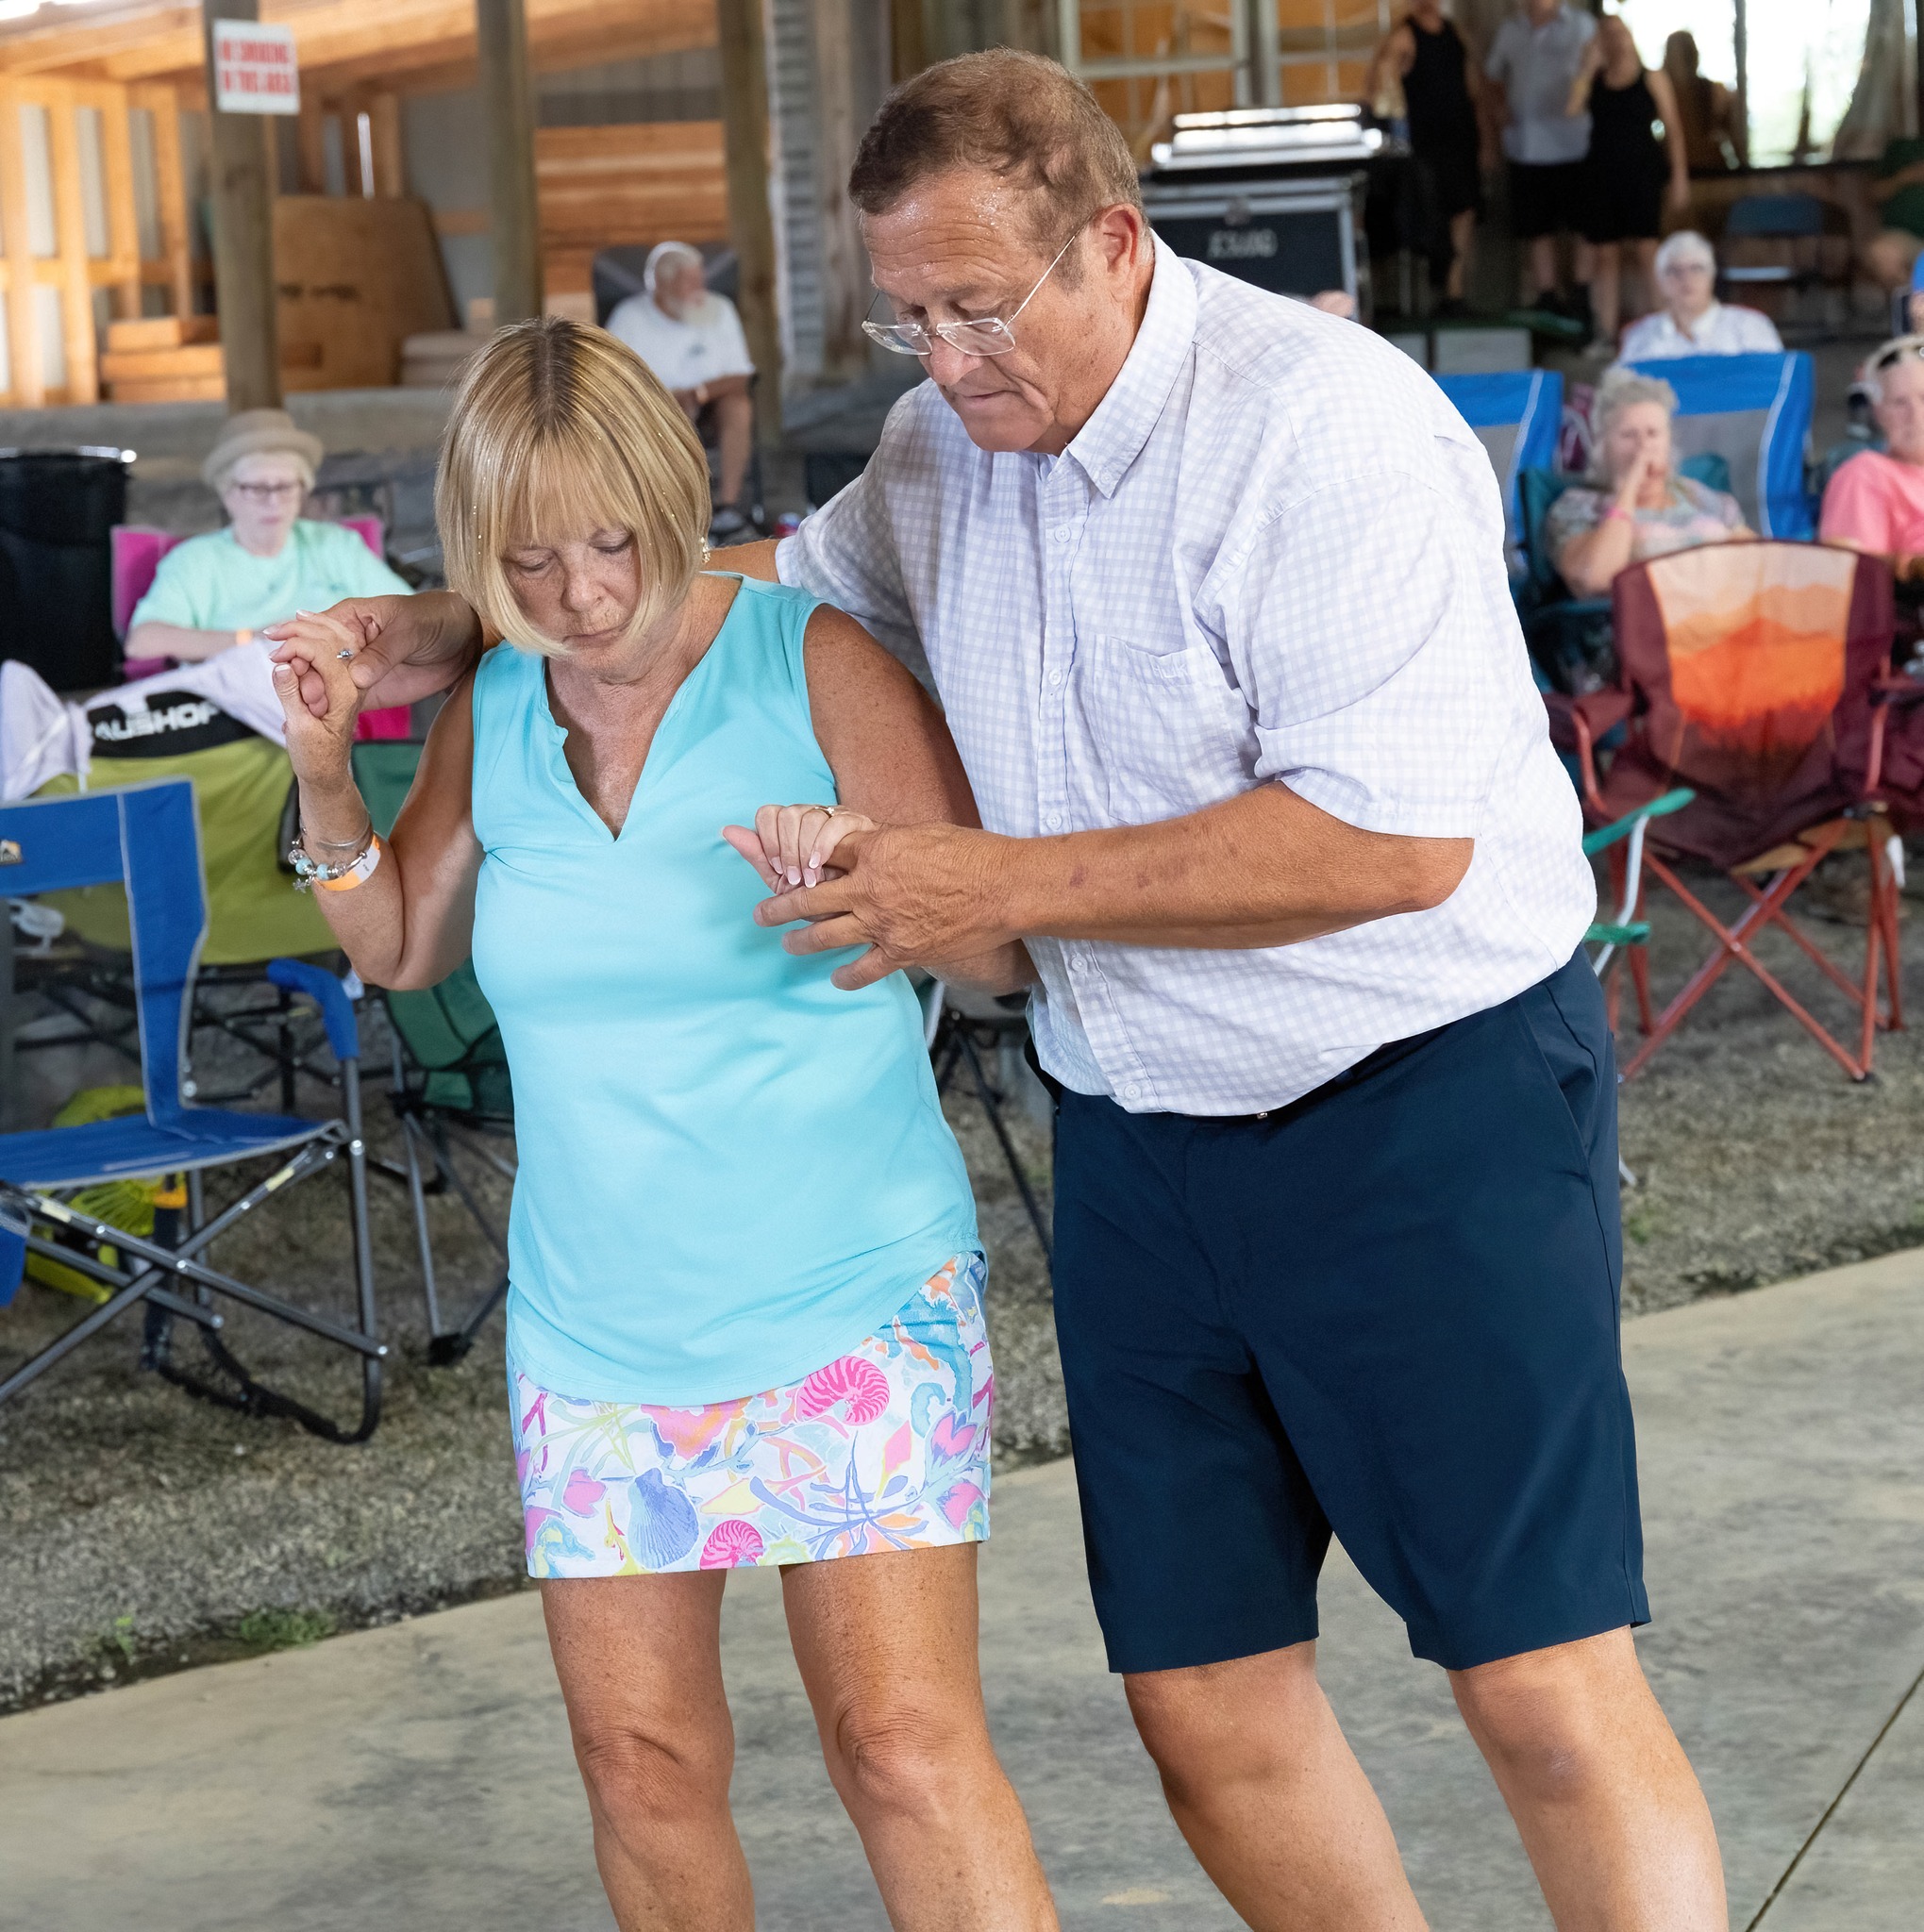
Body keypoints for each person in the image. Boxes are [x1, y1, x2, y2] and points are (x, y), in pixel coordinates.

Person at [277, 51, 1730, 1930]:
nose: (945, 362)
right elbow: (706, 585)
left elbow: (1391, 846)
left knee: (1529, 1675)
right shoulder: (931, 453)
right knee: (1202, 1702)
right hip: (1135, 1126)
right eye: (908, 319)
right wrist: (461, 615)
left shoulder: (1323, 431)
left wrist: (989, 886)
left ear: (1110, 246)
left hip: (1413, 1091)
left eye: (977, 308)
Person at [268, 317, 1058, 1932]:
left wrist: (872, 881)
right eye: (530, 560)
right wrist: (327, 778)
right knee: (636, 1761)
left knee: (899, 1744)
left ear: (670, 492)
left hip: (848, 1296)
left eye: (612, 542)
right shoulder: (498, 698)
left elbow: (997, 954)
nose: (581, 595)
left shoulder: (811, 657)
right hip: (598, 1331)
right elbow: (406, 941)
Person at [125, 409, 410, 665]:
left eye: (285, 487)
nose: (273, 503)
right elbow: (143, 641)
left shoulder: (335, 544)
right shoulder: (196, 559)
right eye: (258, 489)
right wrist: (255, 640)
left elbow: (409, 614)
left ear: (302, 491)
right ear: (228, 494)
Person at [1548, 369, 1749, 597]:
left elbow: (1760, 561)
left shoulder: (1695, 495)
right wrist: (1628, 490)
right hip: (1643, 628)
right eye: (1628, 435)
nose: (1643, 447)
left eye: (1653, 433)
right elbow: (1595, 578)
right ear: (1602, 447)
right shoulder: (1579, 506)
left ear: (1669, 442)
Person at [605, 241, 758, 543]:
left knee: (738, 405)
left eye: (701, 278)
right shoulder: (628, 319)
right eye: (690, 281)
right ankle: (671, 514)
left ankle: (727, 508)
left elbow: (741, 376)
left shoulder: (720, 310)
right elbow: (611, 383)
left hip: (710, 402)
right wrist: (666, 403)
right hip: (651, 409)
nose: (700, 288)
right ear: (662, 284)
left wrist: (697, 394)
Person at [1570, 14, 1690, 356]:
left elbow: (1673, 130)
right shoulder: (1593, 79)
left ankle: (1663, 332)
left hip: (1641, 174)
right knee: (1605, 256)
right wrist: (1585, 68)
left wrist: (1679, 176)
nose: (1616, 40)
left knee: (1646, 251)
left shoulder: (1651, 78)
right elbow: (1571, 109)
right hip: (1601, 175)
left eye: (1620, 33)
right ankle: (1606, 335)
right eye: (1607, 35)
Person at [1365, 0, 1495, 311]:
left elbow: (1473, 88)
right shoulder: (1402, 37)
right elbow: (1379, 90)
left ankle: (1455, 292)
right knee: (1425, 215)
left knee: (1463, 211)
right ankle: (1400, 298)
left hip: (1460, 139)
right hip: (1424, 145)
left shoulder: (1456, 33)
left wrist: (1487, 139)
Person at [1485, 0, 1597, 316]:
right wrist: (1499, 107)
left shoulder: (1582, 25)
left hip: (1576, 142)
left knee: (1583, 224)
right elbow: (1492, 76)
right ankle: (1547, 294)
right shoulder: (1510, 30)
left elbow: (1595, 71)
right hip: (1527, 143)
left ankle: (1582, 293)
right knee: (1536, 227)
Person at [1821, 336, 1924, 576]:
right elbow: (1854, 577)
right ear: (1878, 413)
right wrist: (1913, 568)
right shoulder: (1865, 474)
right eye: (1900, 402)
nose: (1916, 415)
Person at [1617, 229, 1783, 360]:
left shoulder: (1750, 327)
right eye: (1674, 271)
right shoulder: (1640, 336)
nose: (1686, 278)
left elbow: (1772, 387)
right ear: (1659, 281)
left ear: (1712, 276)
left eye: (1696, 269)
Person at [1662, 32, 1742, 173]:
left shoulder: (1714, 91)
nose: (1680, 59)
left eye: (1684, 54)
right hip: (1677, 172)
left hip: (1709, 170)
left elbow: (1731, 134)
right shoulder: (1661, 94)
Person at [1864, 135, 1924, 296]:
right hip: (1906, 237)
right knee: (1883, 253)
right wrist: (1907, 176)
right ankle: (1909, 312)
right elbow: (1873, 193)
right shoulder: (1899, 148)